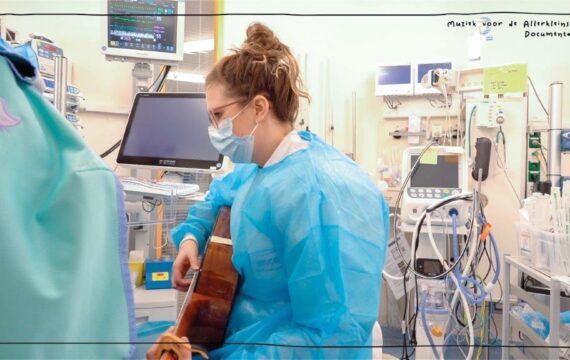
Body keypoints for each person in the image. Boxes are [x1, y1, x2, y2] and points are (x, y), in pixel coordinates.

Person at [147, 22, 389, 359]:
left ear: (259, 108)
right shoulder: (260, 168)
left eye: (219, 115)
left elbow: (328, 338)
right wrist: (191, 238)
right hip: (247, 336)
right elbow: (217, 198)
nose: (214, 130)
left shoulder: (312, 194)